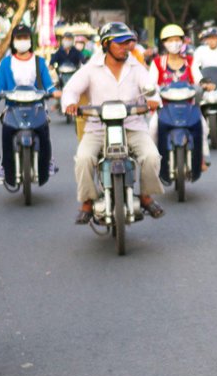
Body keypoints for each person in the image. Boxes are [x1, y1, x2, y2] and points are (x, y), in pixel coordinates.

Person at [60, 21, 165, 224]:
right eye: (120, 43)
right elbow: (70, 90)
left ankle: (145, 196)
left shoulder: (136, 67)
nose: (125, 47)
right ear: (106, 44)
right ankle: (87, 202)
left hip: (132, 126)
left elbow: (151, 88)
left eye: (128, 43)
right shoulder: (91, 68)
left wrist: (153, 100)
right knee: (83, 159)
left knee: (152, 156)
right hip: (98, 128)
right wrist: (71, 104)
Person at [0, 23, 56, 188]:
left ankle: (47, 161)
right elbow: (0, 87)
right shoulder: (5, 63)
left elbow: (48, 84)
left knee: (44, 132)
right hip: (13, 107)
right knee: (6, 132)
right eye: (19, 38)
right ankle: (5, 165)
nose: (22, 41)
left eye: (25, 37)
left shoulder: (39, 62)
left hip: (37, 106)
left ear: (30, 40)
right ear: (13, 41)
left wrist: (55, 92)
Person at [152, 24, 206, 181]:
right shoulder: (157, 63)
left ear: (182, 42)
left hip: (188, 106)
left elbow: (198, 78)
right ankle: (154, 162)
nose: (173, 43)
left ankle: (202, 159)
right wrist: (151, 95)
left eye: (177, 40)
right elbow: (150, 83)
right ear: (164, 43)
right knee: (152, 128)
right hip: (164, 107)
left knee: (204, 127)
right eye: (170, 40)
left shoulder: (190, 61)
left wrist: (204, 84)